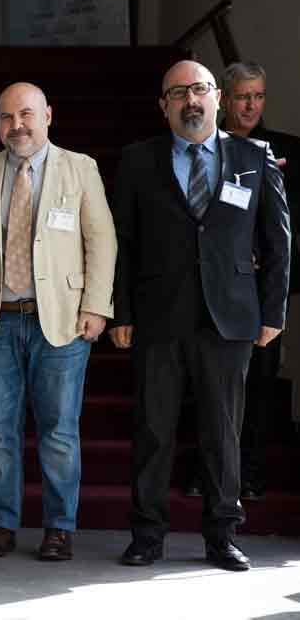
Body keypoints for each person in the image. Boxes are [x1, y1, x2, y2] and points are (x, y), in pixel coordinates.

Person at [110, 60, 289, 572]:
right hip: (158, 316)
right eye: (178, 93)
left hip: (229, 317)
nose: (190, 100)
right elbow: (122, 241)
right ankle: (147, 534)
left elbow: (279, 240)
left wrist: (272, 310)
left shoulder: (253, 157)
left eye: (199, 90)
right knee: (153, 430)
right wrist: (121, 309)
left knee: (222, 431)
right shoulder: (138, 160)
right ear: (163, 105)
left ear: (217, 98)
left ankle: (222, 535)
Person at [0, 82, 117, 561]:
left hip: (60, 321)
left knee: (59, 430)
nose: (16, 125)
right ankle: (1, 525)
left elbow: (101, 240)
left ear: (48, 116)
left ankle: (59, 528)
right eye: (6, 117)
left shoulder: (80, 168)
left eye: (26, 114)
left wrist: (97, 306)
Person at [219, 62, 300, 502]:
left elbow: (290, 230)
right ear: (225, 99)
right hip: (214, 286)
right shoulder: (204, 146)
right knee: (212, 386)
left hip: (262, 289)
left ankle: (249, 472)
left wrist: (278, 288)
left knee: (261, 384)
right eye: (243, 96)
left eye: (259, 96)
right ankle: (210, 470)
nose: (251, 105)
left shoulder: (287, 150)